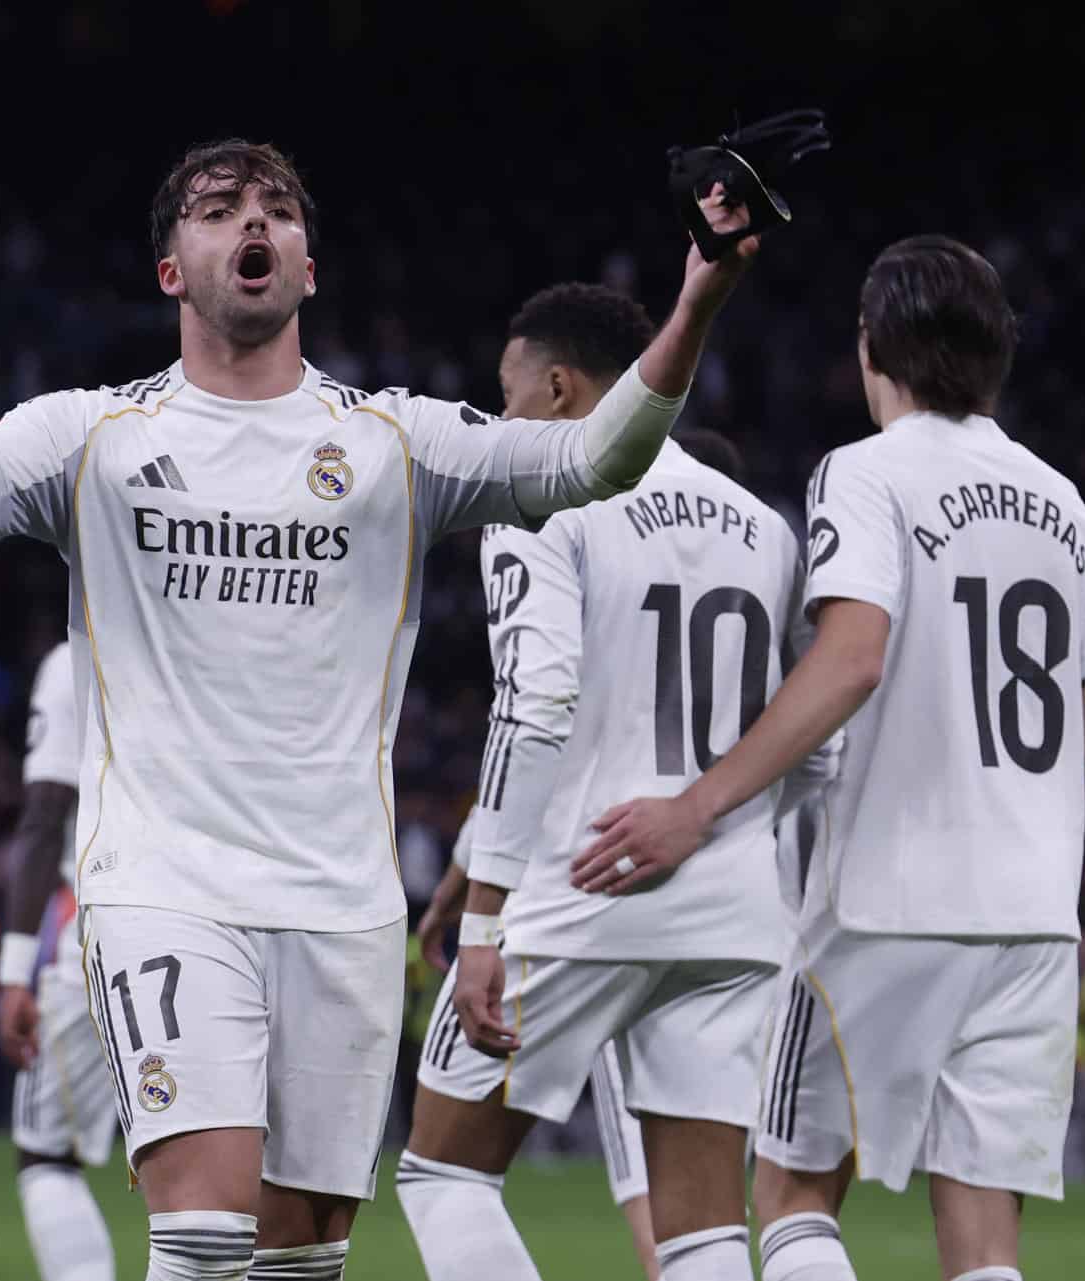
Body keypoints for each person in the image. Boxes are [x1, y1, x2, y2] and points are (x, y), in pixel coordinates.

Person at [0, 137, 759, 1281]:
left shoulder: (397, 440)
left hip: (340, 907)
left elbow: (596, 461)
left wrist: (698, 294)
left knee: (298, 1258)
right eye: (217, 209)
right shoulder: (89, 437)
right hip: (165, 886)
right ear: (171, 269)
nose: (253, 222)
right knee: (201, 1231)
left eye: (278, 210)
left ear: (308, 267)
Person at [579, 236, 1085, 1281]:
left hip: (888, 897)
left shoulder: (862, 477)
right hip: (1037, 915)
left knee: (791, 1190)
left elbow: (853, 659)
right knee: (984, 1239)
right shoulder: (1067, 509)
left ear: (872, 348)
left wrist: (699, 805)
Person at [397, 282, 838, 1281]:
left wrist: (485, 918)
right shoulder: (764, 528)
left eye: (510, 401)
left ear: (557, 389)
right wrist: (718, 823)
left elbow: (536, 701)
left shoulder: (543, 495)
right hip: (732, 906)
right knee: (706, 1234)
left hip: (581, 891)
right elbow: (816, 744)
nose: (504, 425)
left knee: (445, 1177)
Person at [416, 807, 660, 1280]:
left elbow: (523, 747)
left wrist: (466, 902)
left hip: (585, 907)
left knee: (444, 1173)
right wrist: (699, 810)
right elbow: (815, 761)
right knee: (703, 1235)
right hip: (727, 923)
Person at [0, 640, 117, 1281]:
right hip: (242, 924)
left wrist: (15, 972)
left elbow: (45, 818)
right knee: (224, 1160)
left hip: (110, 933)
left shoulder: (76, 660)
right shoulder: (228, 638)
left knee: (45, 1155)